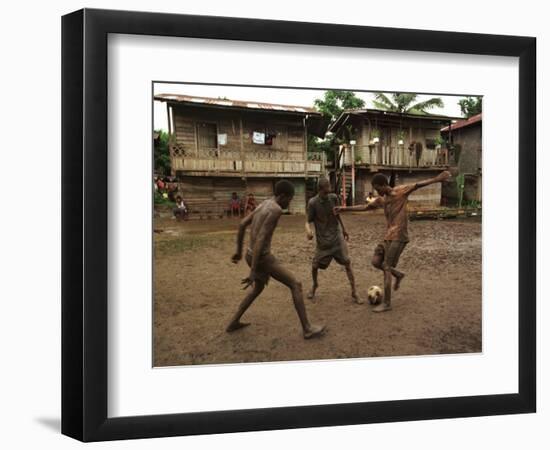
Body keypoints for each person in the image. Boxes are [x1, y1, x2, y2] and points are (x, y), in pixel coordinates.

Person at [335, 170, 451, 313]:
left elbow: (418, 184)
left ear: (383, 185)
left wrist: (437, 179)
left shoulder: (400, 191)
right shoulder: (381, 199)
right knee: (376, 262)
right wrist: (344, 209)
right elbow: (365, 207)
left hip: (399, 236)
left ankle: (387, 303)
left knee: (387, 267)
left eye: (378, 188)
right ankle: (398, 275)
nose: (377, 192)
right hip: (388, 236)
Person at [227, 180, 325, 339]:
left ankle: (233, 322)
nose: (290, 202)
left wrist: (238, 252)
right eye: (290, 199)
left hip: (250, 254)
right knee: (296, 285)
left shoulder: (264, 203)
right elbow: (260, 239)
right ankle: (307, 328)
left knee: (257, 289)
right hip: (262, 258)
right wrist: (253, 271)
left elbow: (242, 224)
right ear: (283, 196)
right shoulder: (276, 210)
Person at [305, 177, 361, 304]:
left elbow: (338, 214)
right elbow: (308, 221)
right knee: (315, 266)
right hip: (323, 242)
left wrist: (344, 229)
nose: (329, 189)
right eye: (327, 187)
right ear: (321, 189)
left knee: (347, 263)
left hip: (337, 238)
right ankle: (314, 286)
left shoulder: (333, 198)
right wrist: (308, 231)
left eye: (329, 186)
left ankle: (354, 292)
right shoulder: (313, 203)